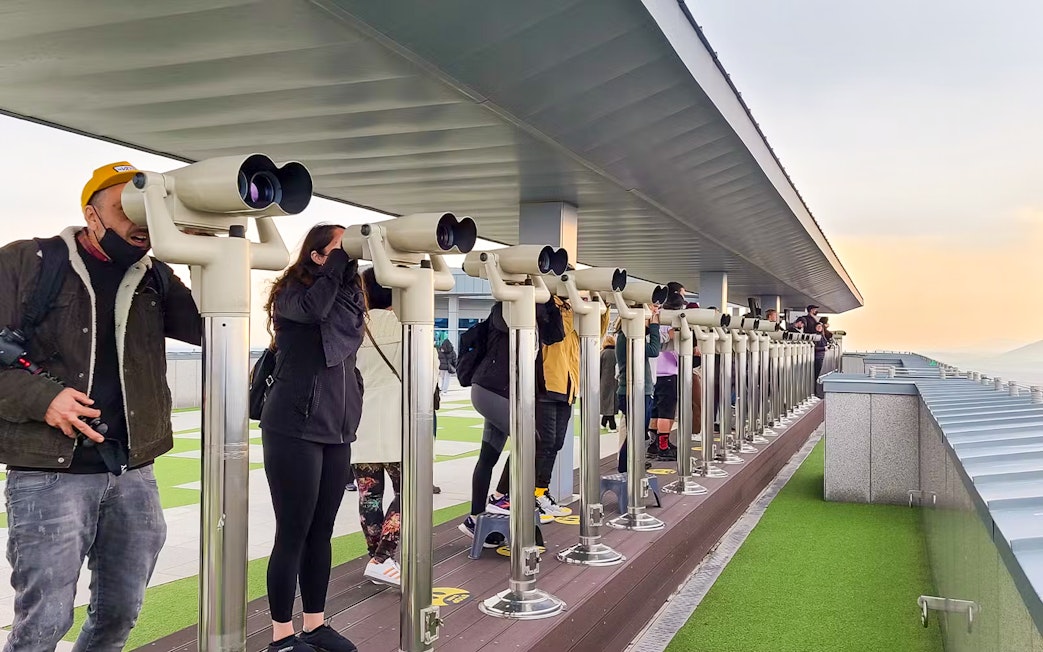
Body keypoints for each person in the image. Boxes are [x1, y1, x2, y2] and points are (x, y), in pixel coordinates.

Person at [0, 162, 202, 650]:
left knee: (120, 613)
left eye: (149, 210)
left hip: (133, 470)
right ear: (91, 215)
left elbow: (210, 328)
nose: (141, 223)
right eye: (126, 209)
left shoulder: (154, 275)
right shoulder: (28, 261)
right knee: (44, 622)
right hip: (50, 473)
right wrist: (43, 397)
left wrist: (204, 249)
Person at [260, 224, 364, 652]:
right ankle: (281, 637)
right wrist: (335, 268)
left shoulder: (349, 298)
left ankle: (315, 625)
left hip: (337, 429)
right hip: (294, 426)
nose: (345, 258)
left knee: (321, 531)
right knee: (293, 531)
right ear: (317, 255)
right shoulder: (291, 293)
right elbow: (315, 310)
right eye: (337, 249)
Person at [616, 304, 662, 472]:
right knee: (635, 435)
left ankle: (630, 468)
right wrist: (655, 325)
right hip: (635, 393)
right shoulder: (629, 336)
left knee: (637, 434)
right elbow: (654, 350)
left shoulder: (628, 335)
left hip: (639, 392)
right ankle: (625, 470)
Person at [649, 283, 686, 461]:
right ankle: (663, 447)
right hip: (669, 373)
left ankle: (655, 444)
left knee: (656, 411)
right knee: (666, 412)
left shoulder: (656, 318)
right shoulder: (673, 324)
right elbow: (676, 351)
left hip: (654, 373)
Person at [600, 334, 618, 431]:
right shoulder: (617, 353)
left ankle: (607, 423)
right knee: (612, 403)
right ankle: (609, 424)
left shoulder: (602, 353)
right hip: (616, 381)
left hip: (604, 382)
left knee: (606, 403)